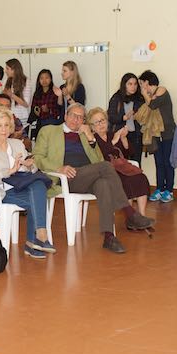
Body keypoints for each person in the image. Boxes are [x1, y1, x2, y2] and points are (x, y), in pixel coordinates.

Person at [33, 104, 154, 253]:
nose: (76, 120)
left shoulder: (85, 135)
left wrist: (90, 138)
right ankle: (129, 213)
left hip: (87, 177)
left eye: (80, 117)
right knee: (106, 166)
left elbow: (98, 161)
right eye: (73, 115)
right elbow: (37, 157)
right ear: (65, 116)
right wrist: (59, 168)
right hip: (66, 178)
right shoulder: (49, 131)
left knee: (103, 184)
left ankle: (109, 237)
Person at [0, 107, 56, 259]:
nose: (4, 129)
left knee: (38, 185)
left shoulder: (17, 144)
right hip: (0, 190)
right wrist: (9, 171)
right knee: (38, 199)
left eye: (7, 125)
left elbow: (32, 169)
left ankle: (37, 238)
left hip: (21, 186)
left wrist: (29, 165)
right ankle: (36, 239)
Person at [86, 107, 154, 223]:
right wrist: (114, 140)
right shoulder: (92, 140)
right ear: (91, 127)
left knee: (141, 177)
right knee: (125, 181)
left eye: (103, 120)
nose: (101, 124)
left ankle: (141, 215)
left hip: (122, 167)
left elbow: (129, 152)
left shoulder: (112, 134)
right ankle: (131, 217)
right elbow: (100, 156)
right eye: (97, 122)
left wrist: (123, 138)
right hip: (107, 172)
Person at [139, 70, 177, 203]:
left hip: (167, 132)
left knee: (167, 162)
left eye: (142, 83)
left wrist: (145, 94)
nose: (141, 86)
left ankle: (169, 190)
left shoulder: (161, 90)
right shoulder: (150, 95)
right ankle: (160, 189)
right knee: (159, 162)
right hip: (155, 133)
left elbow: (153, 105)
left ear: (147, 82)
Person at [107, 73, 143, 161]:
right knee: (122, 161)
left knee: (136, 162)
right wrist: (123, 118)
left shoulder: (140, 98)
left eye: (135, 84)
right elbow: (111, 117)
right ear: (124, 85)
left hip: (136, 135)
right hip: (121, 134)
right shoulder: (116, 98)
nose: (133, 87)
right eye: (130, 84)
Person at [27, 69, 60, 138]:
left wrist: (48, 110)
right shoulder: (37, 93)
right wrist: (36, 112)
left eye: (47, 78)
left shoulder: (55, 92)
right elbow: (33, 107)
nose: (44, 80)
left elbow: (59, 109)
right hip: (40, 121)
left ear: (50, 79)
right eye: (42, 78)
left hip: (52, 121)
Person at [4, 58, 32, 125]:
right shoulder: (7, 81)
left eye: (7, 69)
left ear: (14, 70)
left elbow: (26, 104)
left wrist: (11, 95)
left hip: (21, 117)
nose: (5, 71)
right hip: (9, 116)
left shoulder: (26, 81)